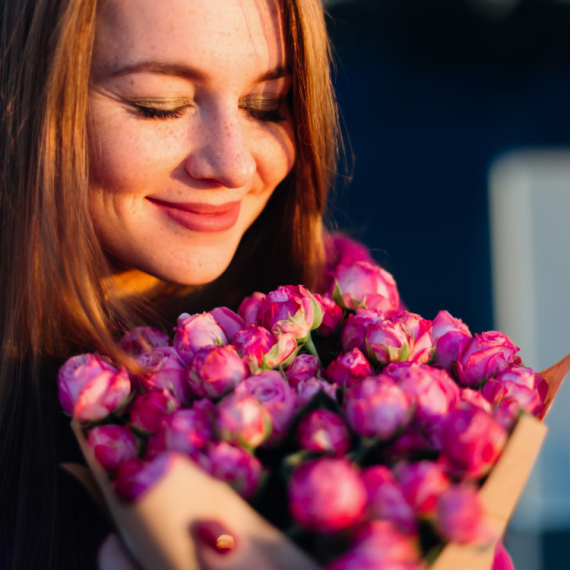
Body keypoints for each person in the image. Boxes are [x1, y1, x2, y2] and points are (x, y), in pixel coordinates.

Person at [0, 0, 515, 569]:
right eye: (160, 106)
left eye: (267, 105)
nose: (235, 165)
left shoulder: (344, 323)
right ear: (25, 96)